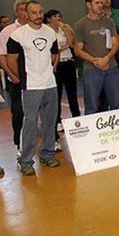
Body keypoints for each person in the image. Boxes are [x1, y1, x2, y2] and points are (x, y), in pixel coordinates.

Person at [7, 1, 60, 176]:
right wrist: (24, 79)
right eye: (33, 12)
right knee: (29, 123)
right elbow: (11, 61)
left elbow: (54, 53)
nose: (37, 15)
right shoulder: (17, 36)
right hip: (31, 87)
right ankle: (26, 161)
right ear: (26, 15)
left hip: (50, 85)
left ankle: (47, 154)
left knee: (49, 121)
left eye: (40, 11)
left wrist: (49, 70)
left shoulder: (50, 32)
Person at [73, 0, 119, 115]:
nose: (101, 5)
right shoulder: (81, 25)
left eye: (102, 2)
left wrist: (107, 58)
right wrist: (95, 61)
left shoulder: (109, 22)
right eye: (97, 3)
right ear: (88, 5)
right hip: (91, 70)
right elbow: (78, 50)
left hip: (111, 68)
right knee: (92, 106)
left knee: (116, 103)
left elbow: (116, 43)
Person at [45, 9, 81, 149]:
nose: (57, 18)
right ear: (48, 19)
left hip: (68, 62)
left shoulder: (63, 28)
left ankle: (76, 116)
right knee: (57, 94)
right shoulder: (47, 31)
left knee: (72, 92)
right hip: (56, 65)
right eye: (54, 16)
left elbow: (71, 44)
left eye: (59, 16)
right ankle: (57, 120)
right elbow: (54, 49)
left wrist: (66, 29)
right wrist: (60, 49)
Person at [0, 0, 29, 154]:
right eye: (23, 9)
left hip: (37, 80)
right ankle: (20, 145)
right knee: (18, 112)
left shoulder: (40, 28)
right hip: (17, 80)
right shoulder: (7, 31)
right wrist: (13, 76)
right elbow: (2, 57)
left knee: (41, 112)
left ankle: (49, 142)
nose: (26, 12)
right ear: (17, 11)